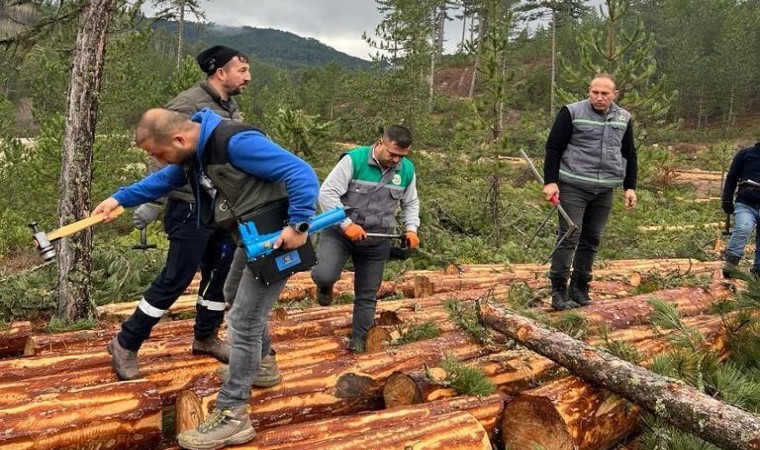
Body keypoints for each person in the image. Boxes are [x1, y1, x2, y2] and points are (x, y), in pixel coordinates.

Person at [94, 107, 318, 449]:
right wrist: (118, 199)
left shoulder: (235, 143)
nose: (159, 160)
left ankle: (233, 414)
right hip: (252, 235)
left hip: (277, 237)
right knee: (231, 292)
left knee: (243, 320)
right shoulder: (194, 152)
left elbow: (300, 172)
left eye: (158, 153)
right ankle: (263, 366)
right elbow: (164, 181)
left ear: (179, 139)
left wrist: (299, 224)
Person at [107, 45, 282, 387]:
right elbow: (160, 149)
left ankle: (205, 337)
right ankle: (126, 343)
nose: (247, 77)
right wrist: (152, 201)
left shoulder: (228, 107)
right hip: (189, 206)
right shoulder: (187, 104)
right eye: (241, 71)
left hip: (225, 209)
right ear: (220, 72)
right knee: (176, 278)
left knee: (218, 278)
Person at [310, 125, 420, 351]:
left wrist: (411, 229)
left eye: (401, 156)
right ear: (381, 143)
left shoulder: (407, 170)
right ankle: (324, 285)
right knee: (323, 273)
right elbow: (327, 193)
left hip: (376, 239)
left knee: (367, 295)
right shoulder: (355, 160)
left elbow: (410, 203)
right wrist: (346, 224)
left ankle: (359, 343)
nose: (396, 160)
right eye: (392, 154)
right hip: (340, 234)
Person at [542, 73, 637, 311]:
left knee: (592, 239)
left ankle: (580, 288)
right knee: (570, 235)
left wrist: (630, 187)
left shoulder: (623, 118)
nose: (599, 97)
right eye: (595, 92)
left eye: (604, 93)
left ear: (614, 95)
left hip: (604, 188)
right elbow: (554, 146)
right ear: (589, 91)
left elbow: (629, 153)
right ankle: (559, 291)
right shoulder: (572, 112)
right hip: (574, 185)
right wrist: (550, 181)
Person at [721, 142, 760, 278]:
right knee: (743, 228)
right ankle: (731, 263)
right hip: (746, 203)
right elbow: (732, 177)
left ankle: (758, 272)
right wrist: (726, 199)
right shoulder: (745, 154)